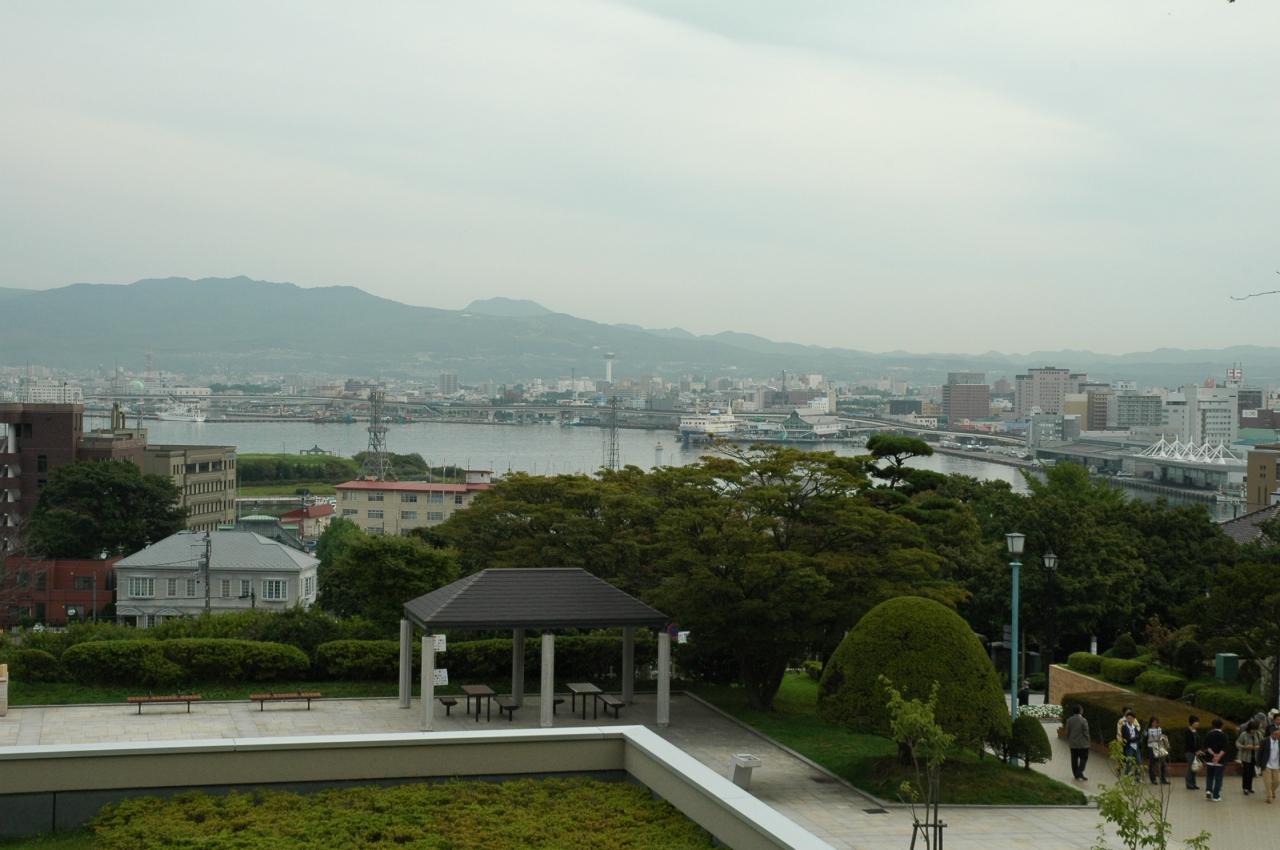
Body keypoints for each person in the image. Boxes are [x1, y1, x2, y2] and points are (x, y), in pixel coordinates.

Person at [1203, 717, 1229, 801]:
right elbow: (1225, 748)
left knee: (1209, 776)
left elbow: (1206, 747)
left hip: (1210, 759)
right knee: (1218, 778)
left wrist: (1213, 754)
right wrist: (1218, 756)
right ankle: (1216, 796)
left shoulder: (1208, 734)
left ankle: (1208, 790)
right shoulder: (1224, 735)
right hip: (1220, 761)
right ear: (1221, 726)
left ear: (1212, 725)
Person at [1065, 704, 1090, 781]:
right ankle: (1079, 772)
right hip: (1083, 744)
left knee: (1074, 759)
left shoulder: (1069, 720)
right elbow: (1086, 732)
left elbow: (1067, 732)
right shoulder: (1083, 720)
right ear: (1080, 711)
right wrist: (1088, 740)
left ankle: (1076, 774)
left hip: (1073, 744)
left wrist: (1069, 739)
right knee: (1084, 758)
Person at [1237, 719, 1262, 796]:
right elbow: (1237, 743)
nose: (1254, 731)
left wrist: (1258, 746)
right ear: (1249, 728)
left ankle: (1250, 787)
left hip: (1255, 756)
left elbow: (1263, 743)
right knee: (1246, 772)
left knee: (1251, 773)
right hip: (1246, 757)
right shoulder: (1244, 734)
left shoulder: (1258, 734)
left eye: (1255, 729)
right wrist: (1245, 746)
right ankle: (1245, 788)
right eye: (1253, 729)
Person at [1258, 724, 1280, 803]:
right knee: (1268, 782)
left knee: (1277, 781)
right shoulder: (1265, 741)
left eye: (1278, 734)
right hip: (1266, 764)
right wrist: (1258, 764)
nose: (1277, 735)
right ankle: (1269, 797)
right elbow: (1260, 753)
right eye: (1276, 734)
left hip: (1276, 765)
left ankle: (1272, 791)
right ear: (1271, 733)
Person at [1146, 715, 1170, 785]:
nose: (1155, 724)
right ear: (1151, 722)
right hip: (1151, 747)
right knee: (1152, 764)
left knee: (1163, 763)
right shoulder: (1148, 730)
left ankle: (1163, 779)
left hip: (1159, 747)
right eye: (1153, 722)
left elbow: (1162, 737)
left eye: (1156, 722)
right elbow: (1145, 738)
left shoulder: (1159, 729)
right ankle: (1153, 779)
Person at [1119, 710, 1143, 776]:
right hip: (1129, 746)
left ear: (1134, 719)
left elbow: (1138, 736)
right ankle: (1126, 776)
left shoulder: (1134, 727)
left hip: (1136, 746)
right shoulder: (1124, 727)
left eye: (1131, 718)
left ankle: (1137, 777)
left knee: (1138, 762)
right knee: (1129, 761)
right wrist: (1134, 738)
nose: (1129, 720)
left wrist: (1134, 738)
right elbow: (1126, 738)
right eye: (1128, 718)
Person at [1183, 715, 1201, 791]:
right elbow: (1189, 743)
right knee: (1190, 767)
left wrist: (1199, 750)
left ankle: (1193, 783)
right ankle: (1189, 784)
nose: (1198, 724)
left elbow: (1197, 742)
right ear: (1192, 722)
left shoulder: (1195, 731)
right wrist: (1195, 751)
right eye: (1197, 722)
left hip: (1196, 752)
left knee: (1195, 767)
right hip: (1189, 752)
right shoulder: (1187, 731)